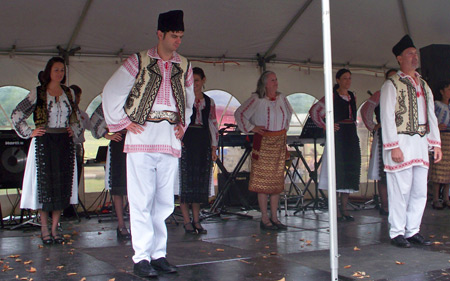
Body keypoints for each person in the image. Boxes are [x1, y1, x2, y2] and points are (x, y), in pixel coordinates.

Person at [101, 10, 194, 277]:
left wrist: (182, 124)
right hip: (141, 138)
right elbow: (112, 90)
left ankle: (159, 254)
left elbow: (188, 100)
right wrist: (122, 122)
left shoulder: (184, 65)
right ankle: (141, 257)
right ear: (159, 34)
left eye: (181, 36)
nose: (178, 40)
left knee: (164, 202)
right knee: (141, 200)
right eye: (174, 36)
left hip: (168, 138)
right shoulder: (138, 60)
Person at [11, 57, 81, 245]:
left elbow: (76, 119)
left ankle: (55, 228)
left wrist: (72, 130)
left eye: (62, 70)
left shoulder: (68, 93)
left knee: (60, 184)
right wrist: (30, 132)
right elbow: (17, 114)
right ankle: (44, 229)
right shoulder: (38, 92)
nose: (60, 73)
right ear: (49, 71)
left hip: (63, 142)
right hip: (44, 141)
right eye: (56, 69)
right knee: (45, 186)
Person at [380, 35, 442, 248]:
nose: (415, 57)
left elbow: (431, 115)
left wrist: (436, 143)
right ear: (399, 58)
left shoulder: (424, 84)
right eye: (410, 54)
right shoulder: (392, 84)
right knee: (400, 190)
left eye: (416, 53)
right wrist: (393, 145)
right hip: (401, 143)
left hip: (420, 144)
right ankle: (397, 232)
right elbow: (387, 116)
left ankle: (412, 229)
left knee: (419, 190)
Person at [234, 70, 293, 231]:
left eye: (276, 79)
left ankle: (275, 217)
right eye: (272, 80)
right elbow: (240, 114)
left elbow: (289, 114)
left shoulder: (282, 99)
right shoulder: (256, 99)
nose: (276, 83)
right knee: (262, 183)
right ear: (265, 83)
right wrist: (253, 128)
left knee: (276, 183)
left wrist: (282, 131)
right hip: (264, 142)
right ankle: (265, 218)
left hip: (278, 142)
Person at [309, 68, 361, 222]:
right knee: (337, 171)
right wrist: (327, 126)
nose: (348, 81)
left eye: (349, 78)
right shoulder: (331, 96)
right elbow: (314, 111)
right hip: (338, 136)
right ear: (338, 80)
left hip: (351, 134)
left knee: (350, 170)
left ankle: (344, 208)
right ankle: (336, 209)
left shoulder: (352, 96)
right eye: (345, 78)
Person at [178, 67, 219, 234]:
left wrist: (214, 147)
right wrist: (177, 140)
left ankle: (196, 219)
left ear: (203, 81)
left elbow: (213, 125)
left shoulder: (209, 102)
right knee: (185, 182)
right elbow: (176, 122)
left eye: (196, 80)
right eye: (191, 81)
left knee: (199, 183)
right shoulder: (183, 100)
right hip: (186, 141)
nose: (193, 84)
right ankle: (186, 221)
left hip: (202, 141)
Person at [90, 102, 131, 240]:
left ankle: (136, 224)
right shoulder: (113, 98)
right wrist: (107, 135)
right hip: (119, 143)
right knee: (118, 187)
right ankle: (121, 225)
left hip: (136, 141)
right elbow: (94, 122)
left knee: (136, 186)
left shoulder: (140, 95)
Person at [361, 69, 397, 216]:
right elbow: (365, 110)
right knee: (384, 172)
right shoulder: (380, 94)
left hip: (401, 136)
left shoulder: (403, 94)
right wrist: (373, 125)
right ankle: (385, 205)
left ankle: (397, 205)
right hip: (384, 135)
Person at [429, 80, 450, 209]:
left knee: (448, 170)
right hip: (440, 138)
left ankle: (446, 197)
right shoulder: (436, 105)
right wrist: (437, 127)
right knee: (438, 169)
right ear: (442, 92)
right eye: (447, 89)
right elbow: (430, 121)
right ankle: (436, 198)